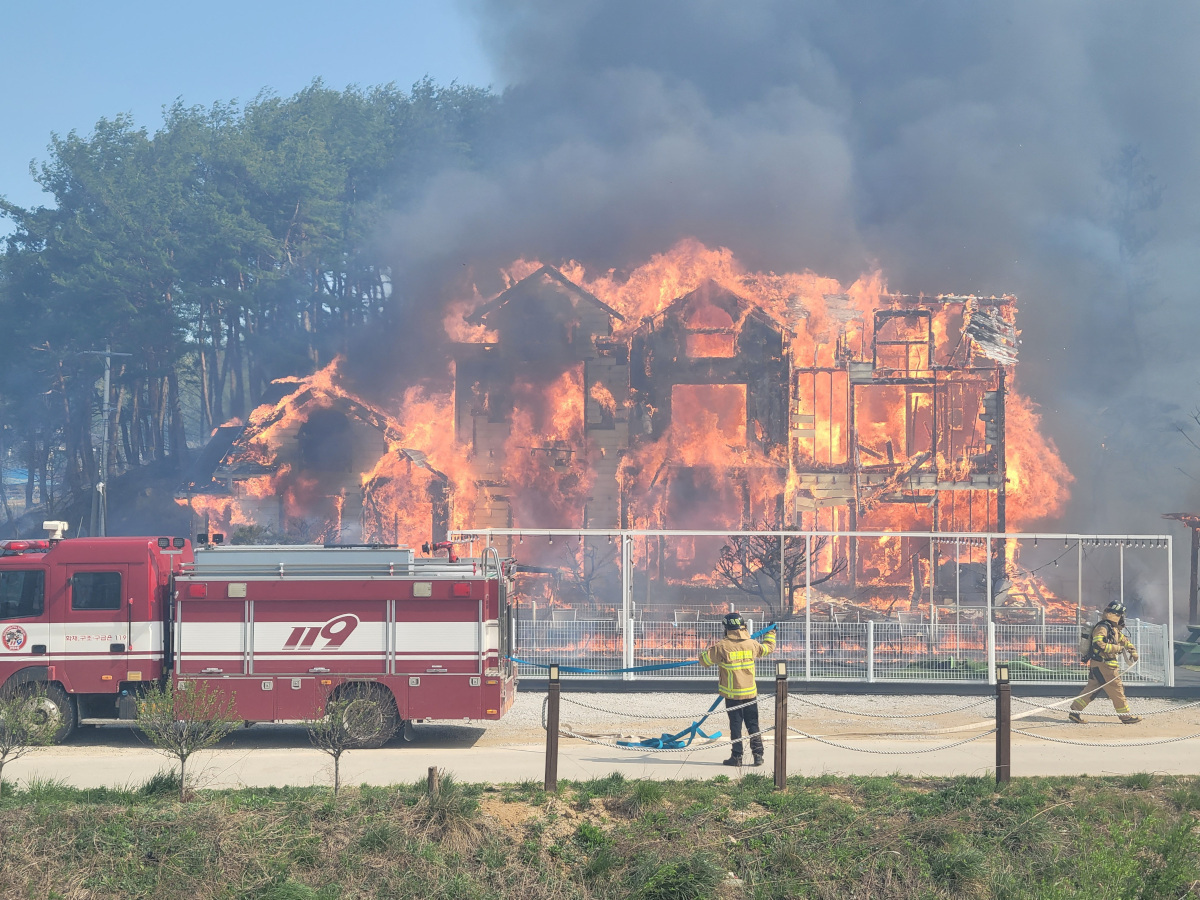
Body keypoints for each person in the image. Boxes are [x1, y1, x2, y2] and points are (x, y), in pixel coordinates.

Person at [700, 612, 777, 766]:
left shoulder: (722, 646)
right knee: (753, 724)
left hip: (732, 695)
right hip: (750, 694)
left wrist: (707, 652)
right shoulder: (751, 644)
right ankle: (758, 755)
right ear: (743, 626)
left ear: (726, 628)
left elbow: (704, 660)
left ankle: (737, 757)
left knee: (735, 725)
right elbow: (768, 648)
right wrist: (771, 633)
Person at [1069, 600, 1141, 724]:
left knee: (1092, 689)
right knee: (1117, 690)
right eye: (1121, 615)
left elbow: (1124, 640)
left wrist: (1132, 651)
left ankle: (1075, 712)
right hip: (1105, 666)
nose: (1122, 618)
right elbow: (1099, 644)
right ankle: (1125, 717)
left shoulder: (1112, 628)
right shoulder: (1103, 627)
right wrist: (1118, 649)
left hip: (1100, 665)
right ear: (1117, 615)